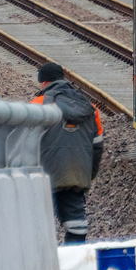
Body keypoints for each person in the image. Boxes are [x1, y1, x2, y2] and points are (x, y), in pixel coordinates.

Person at [32, 62, 104, 244]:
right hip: (76, 175)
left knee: (39, 223)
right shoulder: (90, 107)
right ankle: (75, 256)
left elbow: (24, 144)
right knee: (76, 224)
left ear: (43, 83)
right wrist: (88, 175)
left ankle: (46, 258)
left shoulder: (37, 105)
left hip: (44, 176)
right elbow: (97, 146)